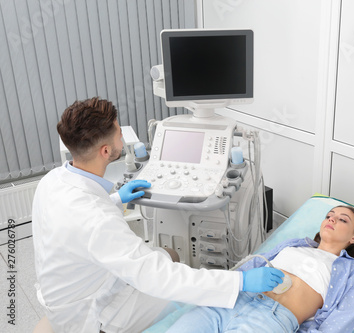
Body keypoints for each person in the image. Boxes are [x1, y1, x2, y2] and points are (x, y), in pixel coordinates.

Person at [31, 97, 284, 333]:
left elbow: (77, 224)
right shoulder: (97, 220)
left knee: (170, 255)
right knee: (190, 301)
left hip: (79, 285)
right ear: (106, 151)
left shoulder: (53, 180)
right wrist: (238, 281)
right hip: (92, 314)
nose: (122, 133)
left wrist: (117, 199)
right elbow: (159, 277)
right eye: (119, 131)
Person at [165, 205, 354, 333]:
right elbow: (250, 268)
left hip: (271, 319)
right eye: (329, 215)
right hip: (231, 302)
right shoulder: (294, 244)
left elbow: (343, 319)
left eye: (342, 219)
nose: (331, 219)